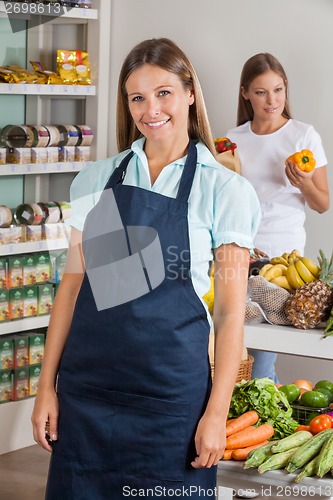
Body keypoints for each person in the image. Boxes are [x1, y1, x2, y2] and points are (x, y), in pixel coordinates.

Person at [31, 38, 261, 499]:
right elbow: (72, 291)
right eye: (137, 97)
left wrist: (217, 414)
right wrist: (45, 388)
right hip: (89, 392)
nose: (150, 109)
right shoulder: (97, 180)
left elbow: (231, 314)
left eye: (164, 93)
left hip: (171, 400)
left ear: (190, 93)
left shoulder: (225, 190)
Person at [226, 53, 329, 382]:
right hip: (239, 252)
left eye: (278, 90)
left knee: (262, 353)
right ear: (245, 93)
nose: (272, 100)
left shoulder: (303, 135)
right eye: (261, 92)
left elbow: (323, 203)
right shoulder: (232, 140)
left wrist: (304, 183)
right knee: (230, 344)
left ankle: (260, 422)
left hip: (283, 261)